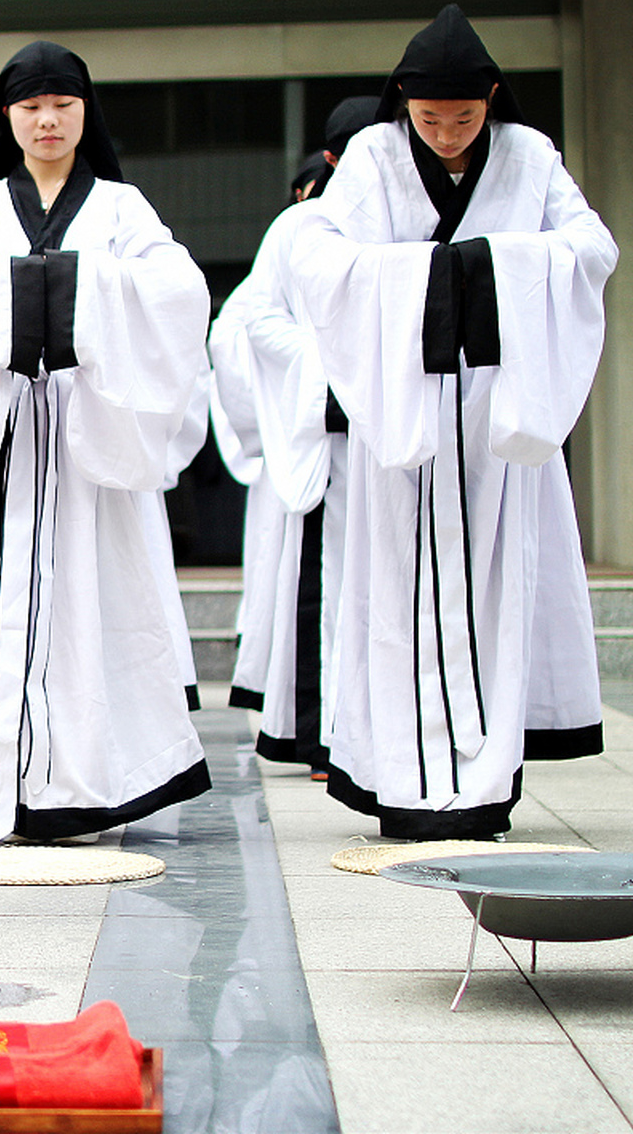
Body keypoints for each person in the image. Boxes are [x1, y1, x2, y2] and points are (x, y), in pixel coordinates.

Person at [291, 6, 616, 838]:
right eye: (428, 119)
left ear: (493, 102)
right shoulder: (370, 155)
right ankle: (401, 775)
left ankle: (486, 778)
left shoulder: (529, 155)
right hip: (404, 415)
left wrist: (495, 263)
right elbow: (317, 256)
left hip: (496, 418)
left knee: (496, 585)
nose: (445, 134)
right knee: (397, 588)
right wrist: (425, 278)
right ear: (402, 103)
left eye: (464, 119)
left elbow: (590, 246)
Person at [0, 42, 212, 843]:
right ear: (6, 115)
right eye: (30, 105)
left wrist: (75, 292)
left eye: (63, 104)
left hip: (88, 442)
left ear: (85, 112)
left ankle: (91, 777)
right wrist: (37, 293)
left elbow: (177, 291)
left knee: (101, 602)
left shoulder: (123, 208)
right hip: (1, 435)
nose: (47, 120)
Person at [210, 97, 377, 773]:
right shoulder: (301, 227)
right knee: (326, 587)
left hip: (401, 438)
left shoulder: (416, 220)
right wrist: (327, 363)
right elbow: (247, 320)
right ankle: (322, 736)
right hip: (331, 432)